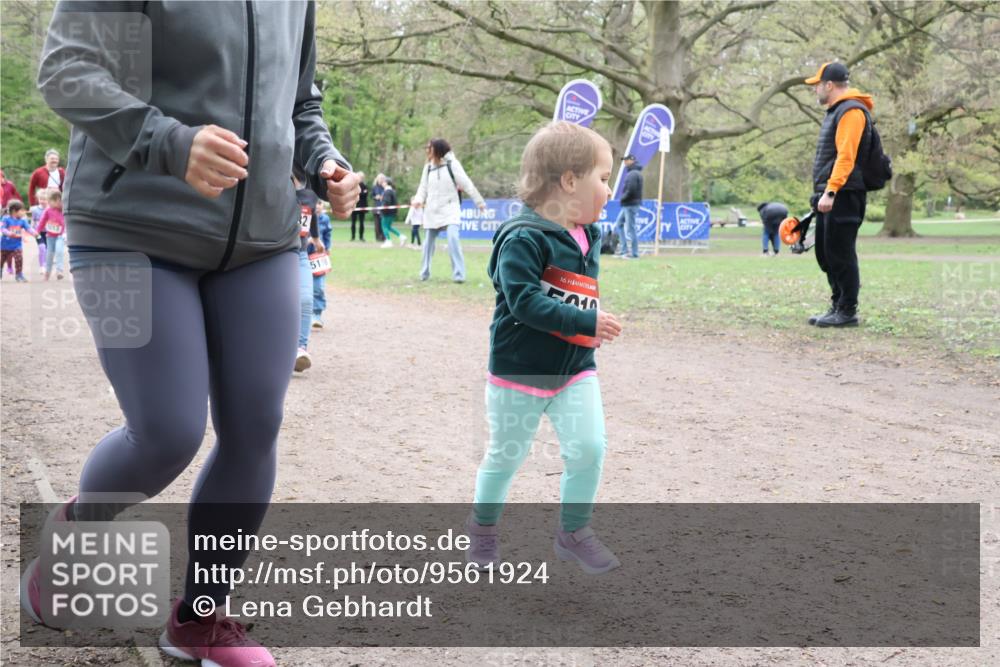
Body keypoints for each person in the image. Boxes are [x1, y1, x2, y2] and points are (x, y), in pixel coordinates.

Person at [27, 4, 360, 666]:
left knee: (254, 425)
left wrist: (324, 161)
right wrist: (169, 142)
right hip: (124, 229)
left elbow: (299, 103)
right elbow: (67, 70)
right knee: (167, 432)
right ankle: (71, 538)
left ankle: (199, 621)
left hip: (260, 238)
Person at [465, 121, 623, 575]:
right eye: (604, 177)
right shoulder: (522, 237)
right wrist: (583, 319)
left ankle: (574, 532)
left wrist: (586, 323)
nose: (610, 188)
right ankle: (482, 530)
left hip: (575, 367)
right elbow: (524, 301)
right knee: (505, 457)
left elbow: (573, 290)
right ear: (570, 181)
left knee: (589, 447)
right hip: (521, 371)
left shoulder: (586, 233)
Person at [805, 62, 874, 328]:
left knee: (841, 253)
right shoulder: (837, 111)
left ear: (829, 85)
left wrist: (831, 191)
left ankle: (847, 310)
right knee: (826, 252)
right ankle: (837, 304)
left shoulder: (852, 111)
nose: (816, 90)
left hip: (844, 194)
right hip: (831, 193)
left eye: (817, 85)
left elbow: (846, 156)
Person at [415, 138, 486, 282]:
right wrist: (418, 200)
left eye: (430, 148)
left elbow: (467, 184)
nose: (427, 151)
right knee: (428, 243)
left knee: (453, 239)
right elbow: (423, 188)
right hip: (432, 210)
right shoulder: (428, 168)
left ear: (437, 150)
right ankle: (424, 273)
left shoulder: (452, 165)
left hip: (450, 209)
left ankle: (459, 275)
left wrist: (479, 202)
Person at [294, 172, 326, 368]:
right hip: (273, 252)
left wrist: (315, 238)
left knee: (306, 299)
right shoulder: (276, 178)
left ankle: (300, 349)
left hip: (300, 252)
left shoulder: (311, 188)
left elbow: (310, 212)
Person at [613, 154, 642, 259]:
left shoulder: (633, 174)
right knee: (619, 225)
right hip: (628, 204)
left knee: (630, 228)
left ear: (632, 160)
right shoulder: (633, 173)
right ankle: (624, 251)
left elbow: (631, 190)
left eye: (626, 160)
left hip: (630, 204)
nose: (624, 162)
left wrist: (622, 198)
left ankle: (634, 254)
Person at [1, 200, 36, 282]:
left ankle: (19, 275)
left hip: (17, 245)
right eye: (22, 210)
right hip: (5, 245)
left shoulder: (22, 220)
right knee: (1, 261)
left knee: (19, 258)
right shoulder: (6, 219)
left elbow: (28, 228)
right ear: (14, 211)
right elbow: (2, 228)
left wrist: (34, 233)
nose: (24, 212)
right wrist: (9, 233)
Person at [38, 189, 66, 280]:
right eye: (50, 201)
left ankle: (59, 270)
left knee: (59, 251)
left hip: (60, 236)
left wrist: (65, 233)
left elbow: (67, 221)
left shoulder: (63, 210)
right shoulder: (48, 210)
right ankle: (48, 272)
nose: (50, 203)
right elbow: (42, 221)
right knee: (49, 254)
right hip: (50, 237)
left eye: (58, 201)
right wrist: (37, 230)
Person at [379, 176, 405, 247]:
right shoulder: (392, 191)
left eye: (384, 181)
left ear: (387, 183)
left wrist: (382, 208)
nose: (382, 182)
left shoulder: (387, 191)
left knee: (384, 226)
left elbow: (387, 202)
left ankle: (388, 241)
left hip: (387, 213)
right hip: (392, 212)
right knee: (389, 227)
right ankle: (401, 236)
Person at [29, 188, 49, 273]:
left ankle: (47, 264)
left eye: (44, 199)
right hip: (38, 232)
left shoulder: (50, 209)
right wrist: (32, 230)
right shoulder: (34, 209)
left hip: (49, 233)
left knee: (48, 250)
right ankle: (42, 266)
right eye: (41, 199)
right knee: (42, 247)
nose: (42, 201)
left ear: (48, 199)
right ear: (38, 199)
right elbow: (32, 221)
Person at [351, 173, 368, 241]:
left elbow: (365, 194)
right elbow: (354, 194)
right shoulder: (353, 185)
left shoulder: (364, 185)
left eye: (361, 177)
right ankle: (353, 237)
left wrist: (361, 193)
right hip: (354, 206)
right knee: (353, 222)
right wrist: (362, 193)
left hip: (362, 207)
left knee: (361, 222)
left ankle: (361, 237)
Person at [372, 173, 385, 242]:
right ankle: (378, 237)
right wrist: (375, 197)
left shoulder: (385, 187)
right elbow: (372, 196)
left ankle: (384, 237)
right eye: (380, 179)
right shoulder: (375, 187)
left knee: (383, 223)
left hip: (384, 207)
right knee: (377, 224)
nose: (381, 180)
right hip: (376, 207)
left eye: (382, 179)